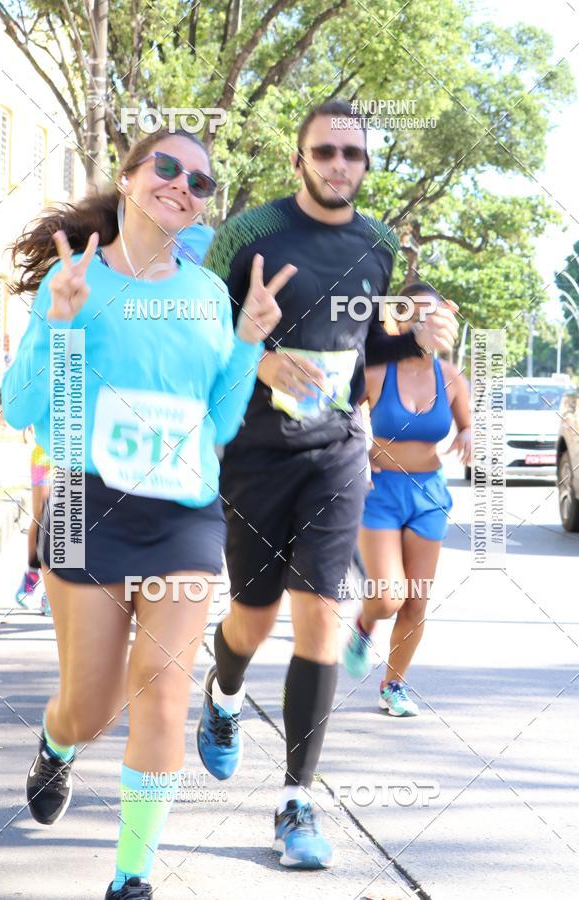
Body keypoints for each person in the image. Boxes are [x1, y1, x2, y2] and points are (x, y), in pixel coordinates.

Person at [0, 128, 290, 899]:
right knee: (90, 707)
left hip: (185, 513)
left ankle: (134, 877)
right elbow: (23, 406)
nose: (183, 185)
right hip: (88, 503)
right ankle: (59, 745)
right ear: (129, 180)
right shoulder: (76, 280)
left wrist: (248, 346)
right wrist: (58, 320)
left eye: (200, 181)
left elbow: (219, 423)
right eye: (167, 168)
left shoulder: (207, 297)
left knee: (162, 690)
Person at [196, 100, 458, 869]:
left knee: (321, 618)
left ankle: (295, 801)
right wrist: (263, 355)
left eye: (353, 153)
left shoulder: (377, 241)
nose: (340, 164)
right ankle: (223, 690)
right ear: (299, 160)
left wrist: (412, 335)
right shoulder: (248, 233)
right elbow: (200, 319)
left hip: (340, 448)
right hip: (255, 449)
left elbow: (363, 335)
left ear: (366, 164)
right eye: (325, 152)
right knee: (251, 613)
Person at [343, 282, 471, 716]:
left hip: (429, 494)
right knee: (386, 596)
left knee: (415, 600)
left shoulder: (451, 377)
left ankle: (393, 686)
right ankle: (364, 623)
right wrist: (356, 452)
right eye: (411, 313)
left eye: (430, 314)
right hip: (380, 493)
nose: (422, 321)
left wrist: (469, 434)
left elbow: (467, 423)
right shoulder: (376, 371)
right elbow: (338, 414)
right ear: (396, 320)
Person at [15, 433, 52, 615]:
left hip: (76, 458)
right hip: (44, 457)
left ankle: (52, 593)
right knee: (41, 518)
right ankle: (31, 577)